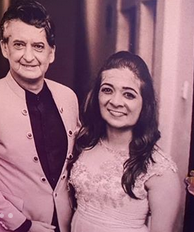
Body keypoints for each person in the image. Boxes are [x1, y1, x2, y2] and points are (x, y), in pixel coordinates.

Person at [0, 0, 80, 232]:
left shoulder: (68, 97)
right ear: (5, 48)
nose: (28, 56)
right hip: (15, 226)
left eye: (38, 46)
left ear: (51, 53)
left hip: (65, 222)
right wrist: (20, 224)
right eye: (19, 44)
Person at [69, 51, 181, 232]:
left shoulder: (159, 169)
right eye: (107, 90)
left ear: (144, 103)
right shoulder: (84, 142)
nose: (115, 102)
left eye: (129, 95)